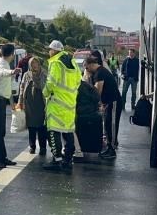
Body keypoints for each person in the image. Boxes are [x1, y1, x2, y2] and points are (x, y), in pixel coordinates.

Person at [43, 40, 79, 172]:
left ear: (54, 50)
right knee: (68, 132)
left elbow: (51, 82)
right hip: (70, 103)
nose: (49, 52)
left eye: (49, 50)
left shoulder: (55, 63)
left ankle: (57, 159)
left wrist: (45, 93)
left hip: (57, 103)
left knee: (53, 131)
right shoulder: (73, 62)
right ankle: (68, 159)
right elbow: (78, 81)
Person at [0, 44, 21, 168]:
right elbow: (2, 73)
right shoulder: (1, 64)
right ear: (12, 54)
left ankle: (2, 156)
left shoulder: (4, 63)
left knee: (1, 131)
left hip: (0, 100)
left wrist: (12, 103)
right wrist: (12, 72)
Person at [86, 56, 123, 159]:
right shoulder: (100, 71)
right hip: (108, 102)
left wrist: (97, 104)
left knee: (112, 125)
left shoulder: (99, 73)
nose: (87, 70)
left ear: (91, 65)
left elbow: (98, 91)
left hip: (113, 101)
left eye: (87, 68)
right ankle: (109, 147)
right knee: (107, 124)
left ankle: (112, 149)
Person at [17, 56, 48, 156]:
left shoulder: (44, 73)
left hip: (41, 102)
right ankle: (32, 146)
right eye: (32, 63)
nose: (34, 65)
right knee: (31, 127)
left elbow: (46, 87)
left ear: (39, 64)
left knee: (42, 127)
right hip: (30, 104)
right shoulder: (26, 74)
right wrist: (20, 101)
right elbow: (22, 88)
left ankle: (43, 147)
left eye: (36, 63)